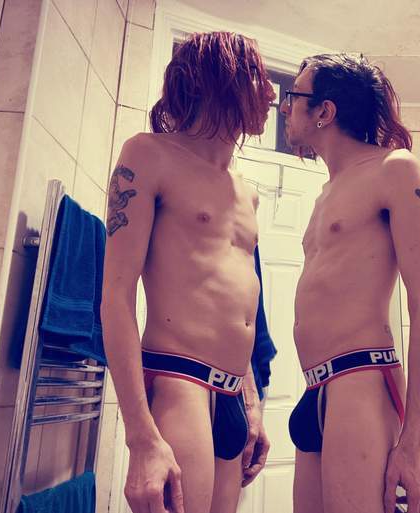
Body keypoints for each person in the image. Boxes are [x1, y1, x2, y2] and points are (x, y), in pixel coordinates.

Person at [101, 32, 276, 513]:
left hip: (234, 391)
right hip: (180, 383)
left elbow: (242, 308)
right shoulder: (149, 155)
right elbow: (115, 296)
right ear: (224, 79)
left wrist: (252, 402)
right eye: (259, 78)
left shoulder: (247, 192)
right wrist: (140, 437)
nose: (271, 94)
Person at [280, 54, 420, 513]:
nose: (285, 106)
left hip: (361, 382)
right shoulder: (325, 193)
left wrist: (412, 442)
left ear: (325, 111)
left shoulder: (394, 170)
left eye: (294, 96)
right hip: (314, 388)